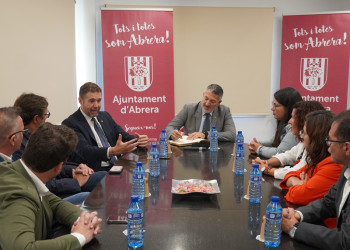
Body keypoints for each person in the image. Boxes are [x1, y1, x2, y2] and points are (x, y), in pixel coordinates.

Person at [0, 122, 102, 249]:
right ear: (59, 166)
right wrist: (79, 237)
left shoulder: (14, 169)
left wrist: (84, 219)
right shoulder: (19, 197)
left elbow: (53, 202)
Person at [12, 93, 106, 204]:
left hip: (59, 183)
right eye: (47, 114)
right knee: (88, 197)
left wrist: (74, 171)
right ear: (37, 118)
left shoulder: (38, 134)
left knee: (103, 176)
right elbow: (42, 182)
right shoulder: (20, 146)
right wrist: (75, 182)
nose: (47, 118)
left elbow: (53, 165)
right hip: (48, 195)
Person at [281, 110, 350, 249]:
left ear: (347, 147)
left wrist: (294, 228)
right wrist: (298, 214)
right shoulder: (346, 167)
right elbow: (329, 202)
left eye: (330, 140)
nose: (327, 143)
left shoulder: (337, 165)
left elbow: (345, 241)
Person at [62, 82, 149, 171]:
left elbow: (123, 136)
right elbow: (85, 151)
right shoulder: (70, 123)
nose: (96, 105)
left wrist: (139, 141)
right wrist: (113, 151)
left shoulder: (105, 116)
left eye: (99, 100)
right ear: (80, 101)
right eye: (91, 101)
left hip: (117, 165)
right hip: (95, 171)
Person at [253, 101, 325, 179]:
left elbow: (295, 172)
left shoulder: (316, 149)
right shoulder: (303, 143)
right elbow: (286, 156)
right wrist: (265, 162)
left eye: (293, 118)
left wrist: (266, 169)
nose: (289, 121)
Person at [165, 84, 236, 142]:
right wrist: (172, 134)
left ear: (219, 103)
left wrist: (206, 135)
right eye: (206, 98)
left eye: (212, 101)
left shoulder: (224, 111)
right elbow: (169, 127)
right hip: (190, 151)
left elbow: (231, 135)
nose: (207, 104)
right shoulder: (189, 108)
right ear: (203, 95)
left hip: (214, 151)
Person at [249, 87, 302, 158]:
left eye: (276, 105)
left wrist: (258, 148)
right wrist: (257, 144)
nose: (272, 108)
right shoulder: (284, 124)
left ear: (288, 108)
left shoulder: (294, 126)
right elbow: (273, 141)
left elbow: (280, 153)